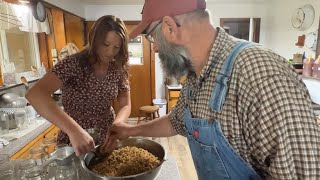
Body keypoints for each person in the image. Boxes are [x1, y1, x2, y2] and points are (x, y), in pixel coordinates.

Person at [103, 0, 320, 179]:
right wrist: (130, 130)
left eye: (152, 37)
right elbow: (176, 122)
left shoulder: (261, 74)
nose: (155, 47)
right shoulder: (195, 74)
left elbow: (303, 174)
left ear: (169, 27)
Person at [26, 15, 131, 156]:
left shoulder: (117, 67)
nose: (110, 52)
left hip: (107, 136)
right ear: (94, 39)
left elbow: (125, 104)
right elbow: (35, 94)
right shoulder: (73, 63)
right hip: (74, 138)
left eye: (116, 47)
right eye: (106, 45)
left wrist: (117, 125)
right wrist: (74, 131)